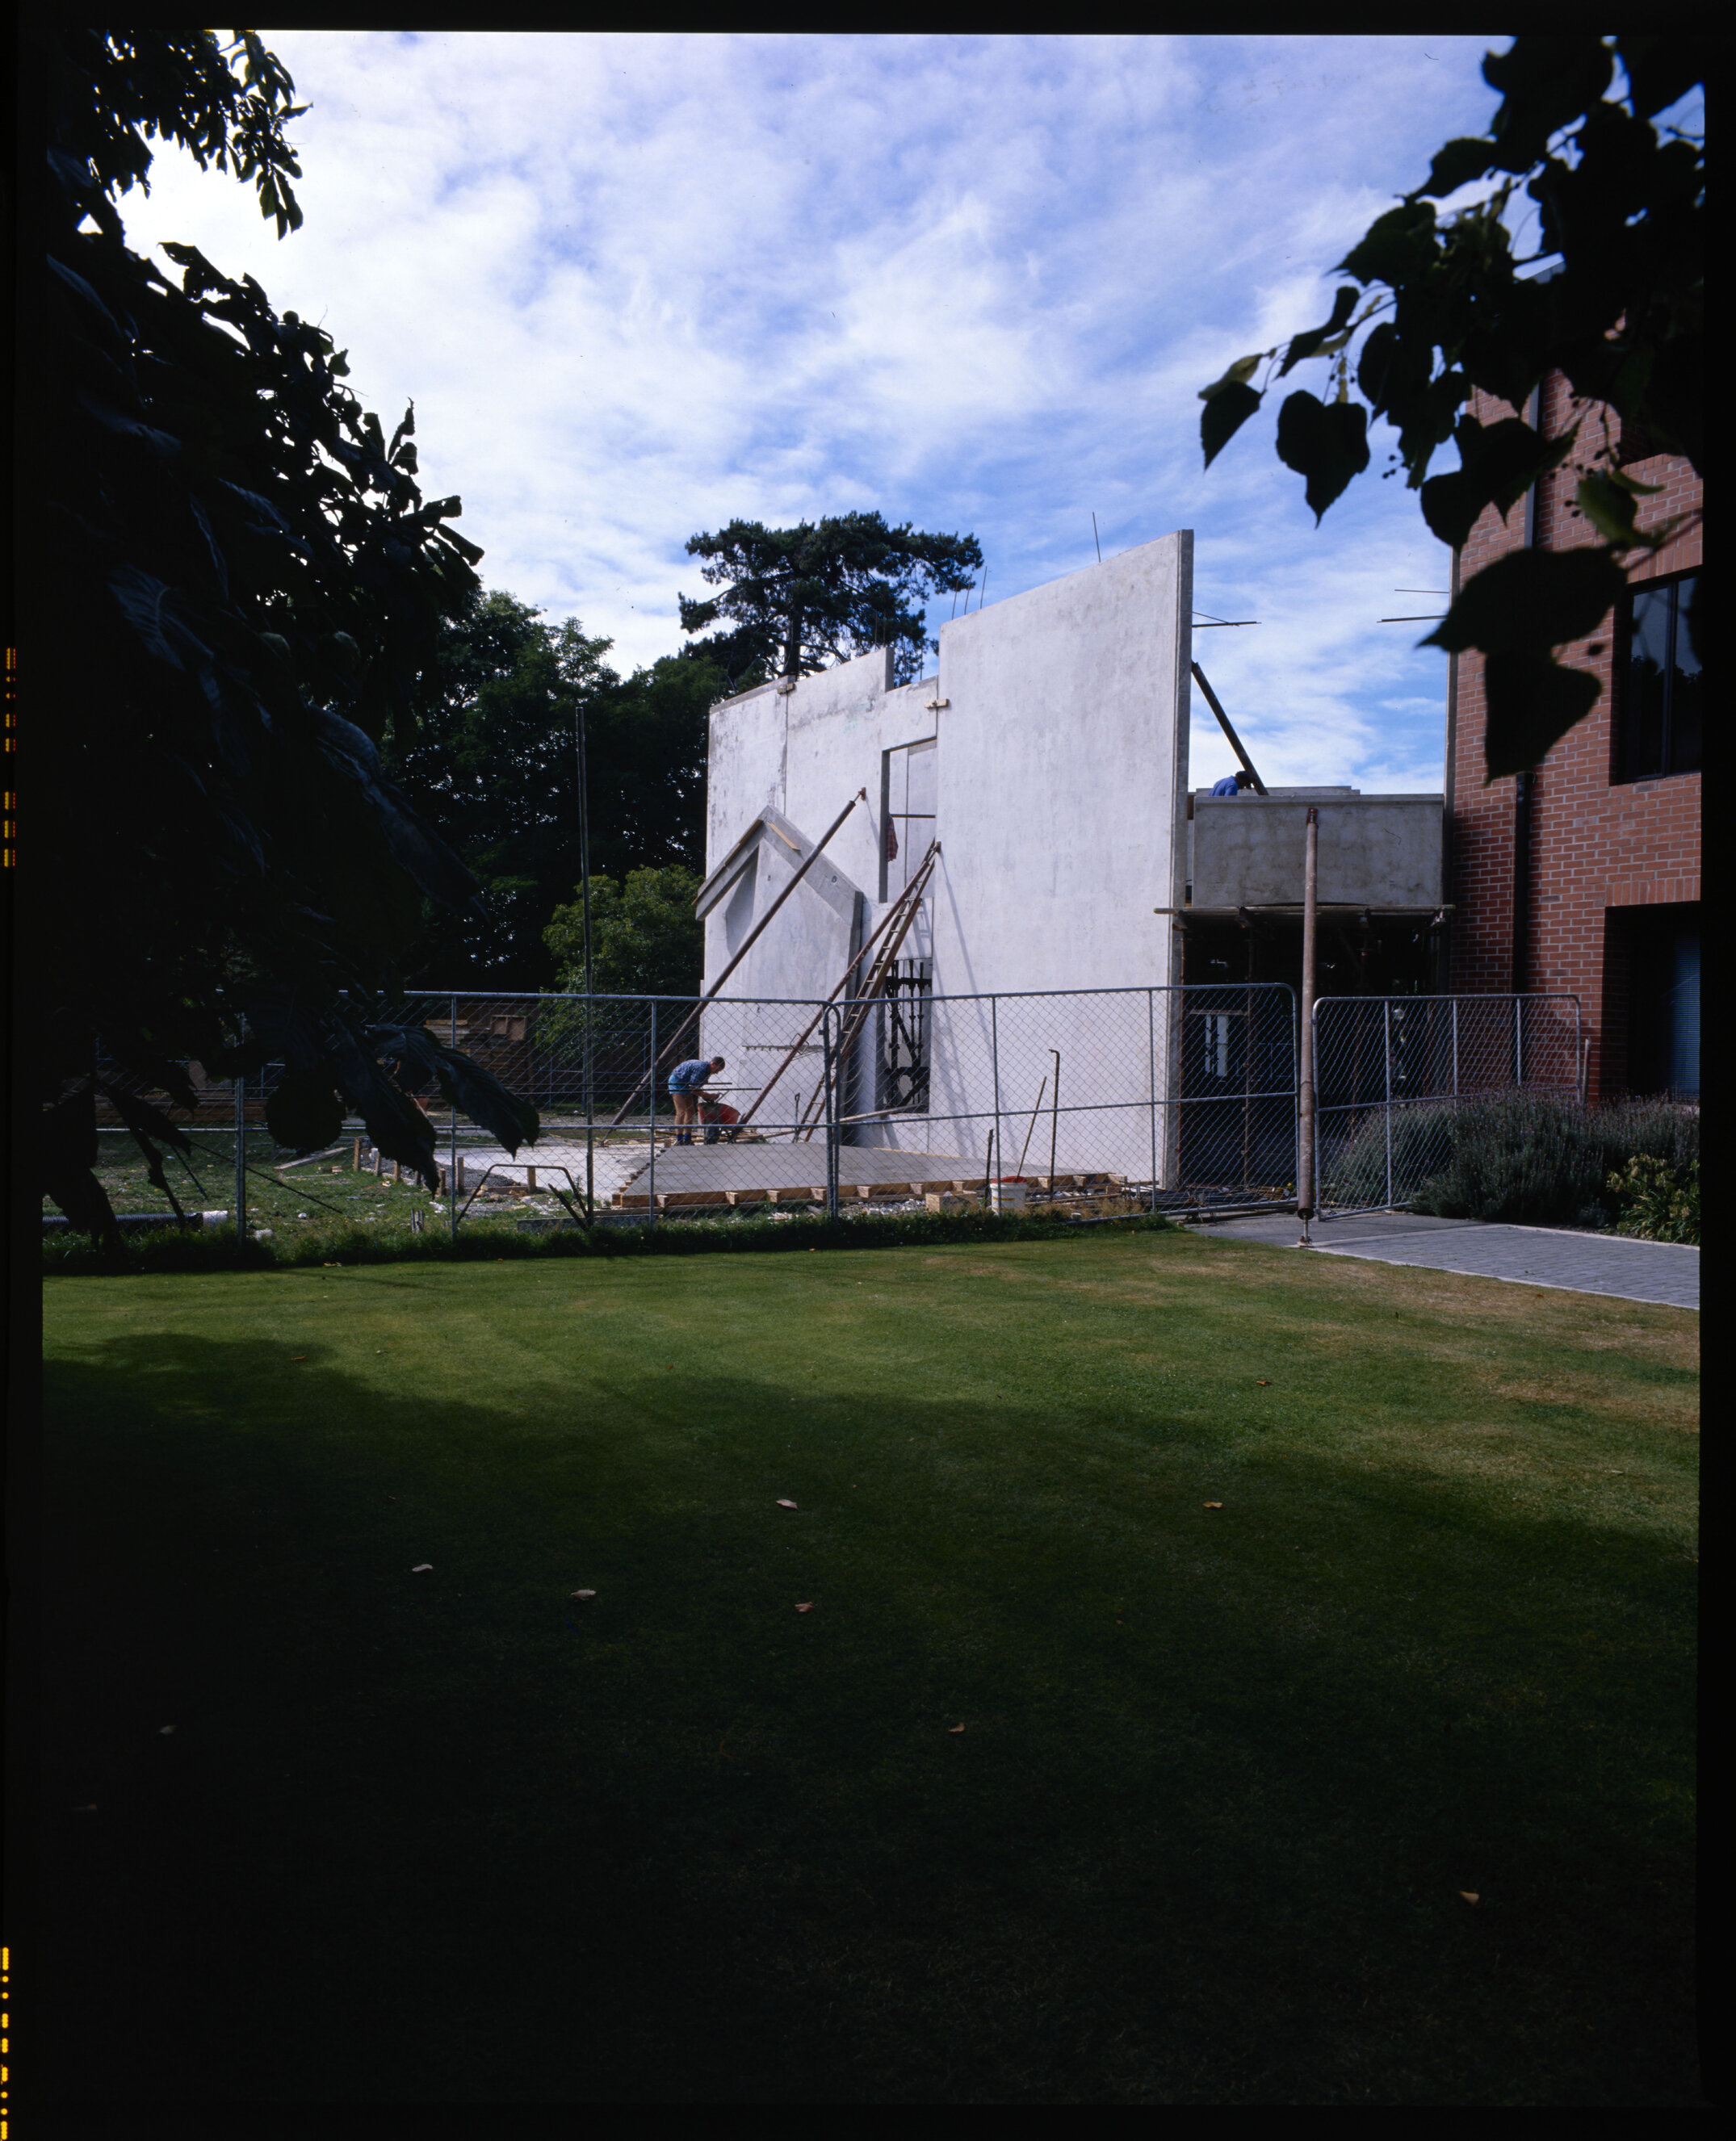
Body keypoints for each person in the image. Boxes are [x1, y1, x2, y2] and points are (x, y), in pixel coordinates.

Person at [668, 1054, 726, 1143]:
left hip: (687, 1084)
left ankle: (687, 1139)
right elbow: (693, 1089)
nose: (717, 1073)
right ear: (713, 1064)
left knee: (690, 1112)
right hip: (677, 1081)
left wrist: (705, 1095)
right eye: (717, 1070)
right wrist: (709, 1096)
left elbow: (695, 1088)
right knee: (681, 1112)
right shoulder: (701, 1068)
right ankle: (679, 1140)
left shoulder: (707, 1071)